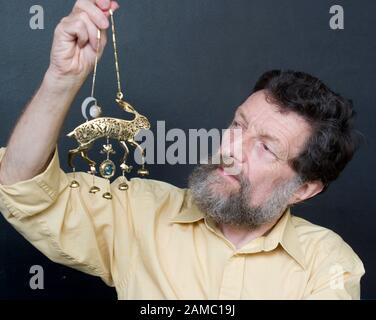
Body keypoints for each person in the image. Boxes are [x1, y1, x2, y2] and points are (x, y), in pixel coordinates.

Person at [0, 0, 365, 299]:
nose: (232, 149)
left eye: (266, 148)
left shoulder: (326, 263)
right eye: (238, 125)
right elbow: (23, 189)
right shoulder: (138, 212)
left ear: (304, 187)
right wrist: (61, 80)